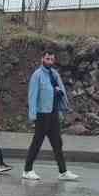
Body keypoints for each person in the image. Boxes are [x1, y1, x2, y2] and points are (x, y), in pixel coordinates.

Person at [21, 49, 80, 182]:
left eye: (52, 59)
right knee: (37, 142)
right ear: (42, 59)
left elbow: (60, 91)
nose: (49, 62)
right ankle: (27, 170)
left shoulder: (54, 74)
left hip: (53, 113)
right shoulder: (37, 75)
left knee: (57, 143)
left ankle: (63, 172)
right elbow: (32, 96)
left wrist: (58, 94)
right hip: (42, 114)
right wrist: (33, 116)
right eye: (47, 59)